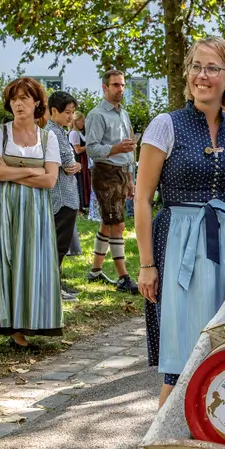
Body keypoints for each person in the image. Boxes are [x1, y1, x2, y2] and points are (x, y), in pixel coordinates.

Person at [136, 38, 225, 407]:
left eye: (212, 68)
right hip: (178, 241)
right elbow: (141, 198)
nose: (201, 76)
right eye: (196, 67)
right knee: (184, 356)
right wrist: (146, 265)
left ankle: (215, 438)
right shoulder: (165, 125)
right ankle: (162, 447)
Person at [0, 77, 63, 348]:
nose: (18, 103)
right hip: (3, 209)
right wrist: (31, 170)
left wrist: (10, 172)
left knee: (28, 266)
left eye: (24, 98)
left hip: (36, 212)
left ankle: (17, 329)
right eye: (14, 99)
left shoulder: (48, 137)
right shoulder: (0, 132)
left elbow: (50, 180)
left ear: (37, 102)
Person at [84, 70, 139, 293]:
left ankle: (95, 272)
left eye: (123, 85)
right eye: (116, 85)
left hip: (121, 173)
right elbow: (92, 149)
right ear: (104, 87)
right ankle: (123, 277)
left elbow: (129, 149)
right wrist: (117, 148)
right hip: (105, 172)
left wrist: (131, 179)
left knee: (108, 223)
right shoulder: (96, 115)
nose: (121, 90)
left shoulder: (122, 114)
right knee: (117, 224)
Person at [44, 90, 85, 301]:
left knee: (59, 246)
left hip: (65, 197)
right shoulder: (52, 132)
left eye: (72, 112)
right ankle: (53, 289)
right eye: (67, 112)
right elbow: (68, 165)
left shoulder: (58, 130)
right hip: (61, 198)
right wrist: (77, 165)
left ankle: (56, 285)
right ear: (53, 111)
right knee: (58, 246)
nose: (71, 116)